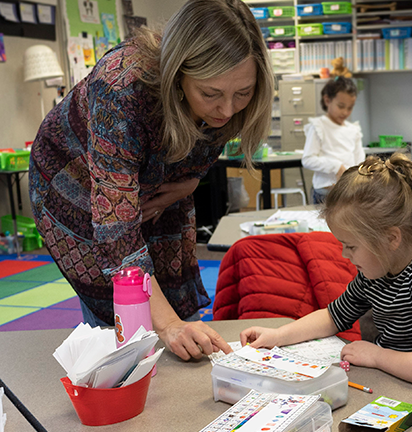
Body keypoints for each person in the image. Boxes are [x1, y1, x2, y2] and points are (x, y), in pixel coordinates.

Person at [29, 0, 275, 360]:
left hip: (157, 183)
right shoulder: (120, 85)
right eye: (211, 94)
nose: (227, 110)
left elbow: (198, 158)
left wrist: (190, 184)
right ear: (178, 75)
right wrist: (168, 325)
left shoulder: (230, 97)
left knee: (175, 301)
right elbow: (115, 230)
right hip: (75, 188)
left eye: (242, 94)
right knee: (127, 320)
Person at [240, 153, 412, 388]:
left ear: (391, 238)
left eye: (351, 246)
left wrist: (376, 356)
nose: (343, 254)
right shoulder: (377, 271)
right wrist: (278, 336)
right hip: (395, 379)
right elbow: (333, 316)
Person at [302, 76, 364, 204]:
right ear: (327, 100)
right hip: (325, 194)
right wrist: (335, 167)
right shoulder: (319, 126)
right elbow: (307, 159)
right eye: (341, 106)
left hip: (348, 193)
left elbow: (359, 161)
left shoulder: (353, 130)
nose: (345, 112)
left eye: (350, 107)